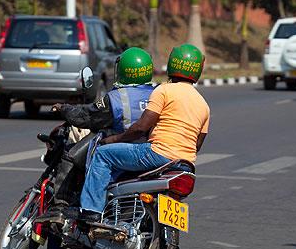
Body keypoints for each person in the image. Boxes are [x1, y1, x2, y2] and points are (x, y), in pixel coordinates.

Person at [78, 43, 210, 223]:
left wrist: (113, 139)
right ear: (198, 70)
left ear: (172, 64)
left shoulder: (163, 90)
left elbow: (141, 127)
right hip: (185, 165)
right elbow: (197, 145)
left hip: (157, 155)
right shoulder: (203, 104)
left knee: (102, 155)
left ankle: (90, 211)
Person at [36, 47, 156, 224]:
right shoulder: (159, 93)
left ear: (123, 71)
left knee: (71, 156)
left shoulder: (116, 98)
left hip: (122, 150)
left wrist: (64, 108)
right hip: (153, 151)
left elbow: (87, 117)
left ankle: (61, 207)